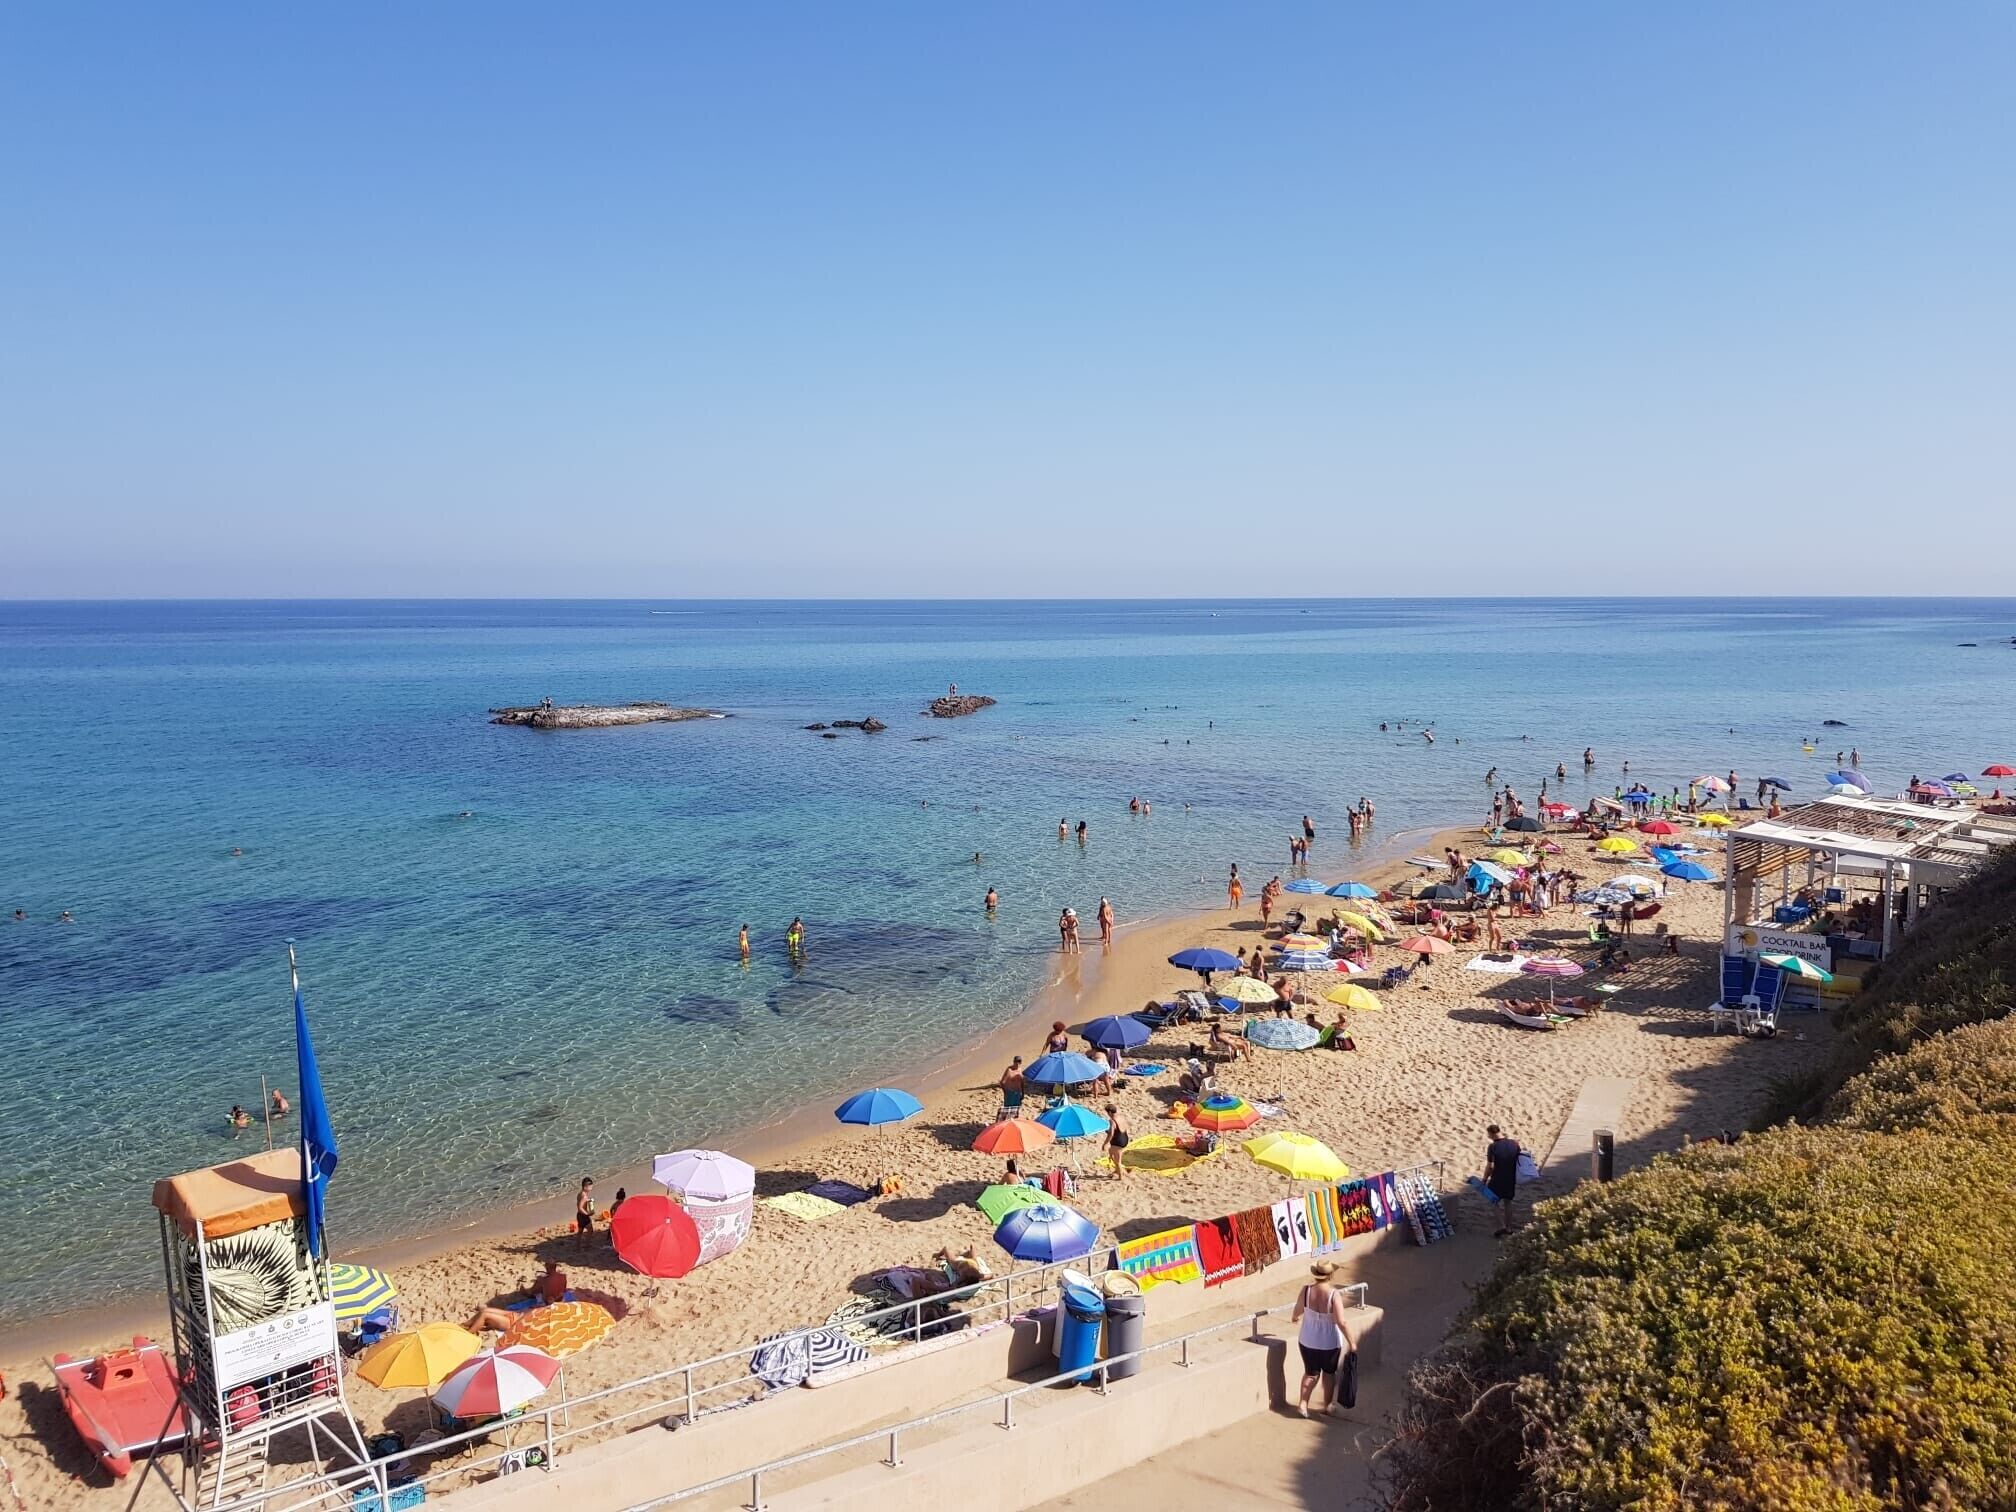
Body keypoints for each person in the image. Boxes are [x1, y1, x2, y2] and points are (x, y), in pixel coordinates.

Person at [1291, 1261, 1354, 1418]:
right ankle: (1327, 1405)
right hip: (1329, 1342)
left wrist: (1295, 1317)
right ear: (1330, 1275)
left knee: (1310, 1373)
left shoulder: (1306, 1291)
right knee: (1329, 1373)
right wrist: (1352, 1342)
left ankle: (1303, 1404)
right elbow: (1341, 1322)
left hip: (1308, 1340)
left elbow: (1298, 1309)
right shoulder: (1334, 1294)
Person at [1484, 1125, 1521, 1236]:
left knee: (1494, 1201)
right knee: (1508, 1202)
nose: (1488, 1136)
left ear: (1491, 1134)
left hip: (1497, 1178)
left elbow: (1490, 1166)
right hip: (1510, 1177)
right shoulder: (1514, 1143)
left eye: (1488, 1134)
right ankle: (1509, 1228)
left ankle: (1501, 1226)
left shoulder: (1493, 1146)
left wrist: (1485, 1179)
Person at [1103, 1104, 1130, 1179]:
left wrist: (1105, 1143)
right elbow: (1125, 1128)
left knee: (1118, 1161)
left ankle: (1120, 1177)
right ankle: (1117, 1170)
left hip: (1118, 1142)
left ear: (1110, 1112)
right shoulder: (1121, 1117)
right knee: (1111, 1154)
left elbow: (1111, 1134)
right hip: (1124, 1138)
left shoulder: (1112, 1121)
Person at [574, 1177, 596, 1244]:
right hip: (583, 1215)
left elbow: (580, 1203)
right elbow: (580, 1207)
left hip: (579, 1215)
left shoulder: (580, 1193)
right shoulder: (584, 1196)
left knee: (580, 1232)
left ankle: (578, 1246)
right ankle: (587, 1245)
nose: (591, 1188)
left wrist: (589, 1201)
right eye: (591, 1186)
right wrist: (587, 1214)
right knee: (590, 1230)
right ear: (586, 1186)